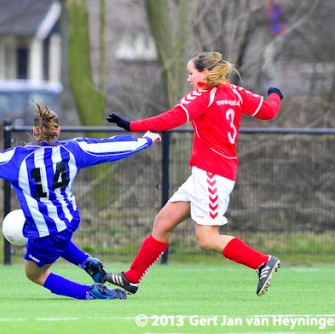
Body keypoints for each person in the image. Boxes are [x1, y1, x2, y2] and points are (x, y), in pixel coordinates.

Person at [0, 101, 161, 300]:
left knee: (34, 273)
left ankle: (89, 292)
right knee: (58, 237)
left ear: (34, 131)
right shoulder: (73, 150)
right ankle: (86, 262)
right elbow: (111, 147)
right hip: (70, 220)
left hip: (46, 231)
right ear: (58, 130)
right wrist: (146, 140)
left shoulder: (17, 160)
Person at [105, 51, 283, 297]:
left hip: (212, 174)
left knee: (207, 239)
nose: (188, 79)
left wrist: (132, 125)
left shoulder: (204, 96)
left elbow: (172, 118)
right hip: (207, 173)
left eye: (191, 73)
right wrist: (275, 95)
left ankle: (263, 262)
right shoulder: (237, 93)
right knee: (163, 222)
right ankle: (131, 278)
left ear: (206, 73)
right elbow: (269, 112)